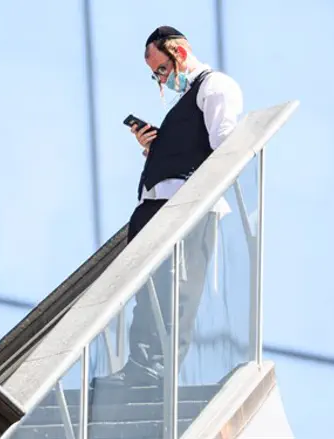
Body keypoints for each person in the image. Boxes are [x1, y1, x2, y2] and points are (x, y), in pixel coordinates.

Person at [93, 26, 243, 388]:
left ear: (179, 51)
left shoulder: (214, 85)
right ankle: (140, 366)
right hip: (157, 204)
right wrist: (153, 148)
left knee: (177, 289)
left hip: (188, 206)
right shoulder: (188, 97)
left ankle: (156, 370)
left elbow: (226, 147)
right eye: (155, 74)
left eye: (161, 69)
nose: (161, 79)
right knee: (147, 291)